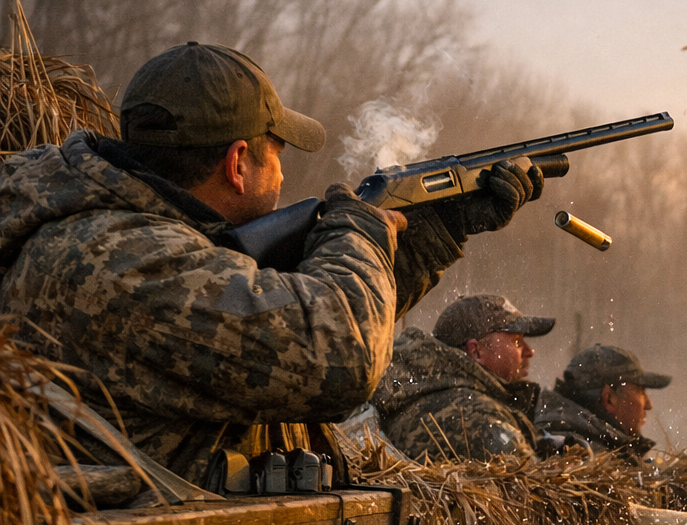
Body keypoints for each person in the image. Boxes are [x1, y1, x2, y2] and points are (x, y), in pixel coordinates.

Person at [0, 41, 540, 489]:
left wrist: (439, 228)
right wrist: (360, 227)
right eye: (278, 153)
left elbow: (280, 330)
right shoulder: (119, 259)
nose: (283, 179)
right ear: (238, 164)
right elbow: (341, 352)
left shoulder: (133, 235)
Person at [372, 294, 555, 460]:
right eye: (516, 340)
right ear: (475, 351)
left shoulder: (436, 394)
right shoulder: (475, 414)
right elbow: (533, 484)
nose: (529, 351)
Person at [536, 344, 671, 458]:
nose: (648, 404)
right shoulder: (586, 457)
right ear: (609, 399)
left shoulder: (560, 441)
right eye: (640, 391)